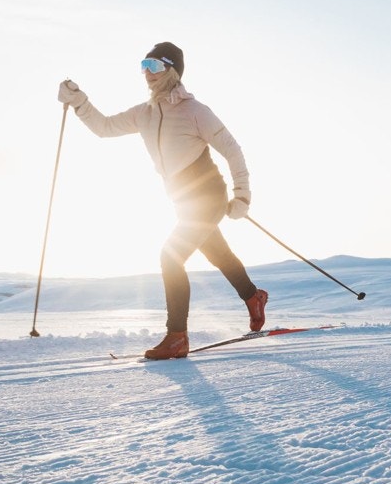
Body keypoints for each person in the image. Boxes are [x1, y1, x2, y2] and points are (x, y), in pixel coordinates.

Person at [57, 42, 267, 360]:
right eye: (144, 65)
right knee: (218, 254)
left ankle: (177, 337)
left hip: (208, 195)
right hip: (182, 200)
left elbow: (232, 148)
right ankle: (253, 297)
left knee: (170, 256)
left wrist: (242, 196)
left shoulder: (196, 111)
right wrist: (79, 101)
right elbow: (104, 128)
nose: (147, 73)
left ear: (172, 71)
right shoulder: (144, 113)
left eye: (154, 66)